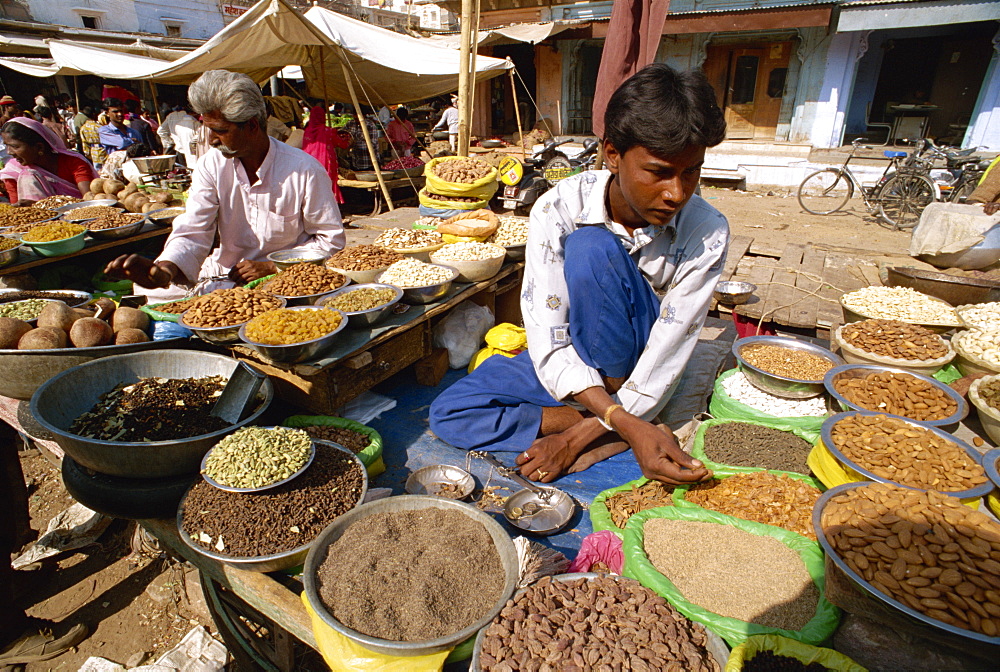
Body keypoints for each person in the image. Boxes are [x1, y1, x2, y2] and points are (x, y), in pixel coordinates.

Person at [429, 64, 729, 485]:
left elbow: (667, 352)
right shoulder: (558, 208)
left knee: (592, 249)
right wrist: (616, 419)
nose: (677, 193)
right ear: (612, 154)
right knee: (449, 412)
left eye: (691, 171)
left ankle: (613, 424)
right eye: (659, 172)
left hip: (639, 367)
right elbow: (549, 336)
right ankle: (624, 427)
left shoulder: (706, 231)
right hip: (578, 361)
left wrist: (574, 439)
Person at [104, 70, 345, 302]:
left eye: (220, 130)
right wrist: (165, 269)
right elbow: (194, 229)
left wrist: (273, 266)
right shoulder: (212, 164)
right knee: (151, 295)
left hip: (288, 278)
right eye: (209, 129)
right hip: (226, 275)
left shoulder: (304, 169)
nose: (212, 139)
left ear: (252, 126)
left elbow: (330, 241)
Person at [0, 117, 96, 205]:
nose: (9, 152)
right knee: (28, 175)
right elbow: (15, 212)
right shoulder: (13, 171)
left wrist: (45, 207)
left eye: (15, 146)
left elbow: (89, 199)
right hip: (37, 222)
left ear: (39, 147)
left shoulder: (73, 162)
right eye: (6, 145)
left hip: (78, 216)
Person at [302, 104, 351, 204]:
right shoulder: (328, 130)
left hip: (309, 162)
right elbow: (341, 144)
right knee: (327, 183)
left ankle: (314, 204)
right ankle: (329, 204)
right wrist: (348, 141)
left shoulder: (307, 131)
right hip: (325, 162)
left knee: (313, 184)